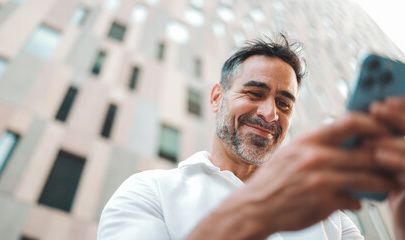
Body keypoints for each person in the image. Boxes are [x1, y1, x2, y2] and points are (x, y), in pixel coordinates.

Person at [97, 35, 405, 240]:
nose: (270, 114)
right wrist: (258, 209)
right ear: (217, 97)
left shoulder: (334, 221)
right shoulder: (149, 192)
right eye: (254, 93)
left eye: (284, 104)